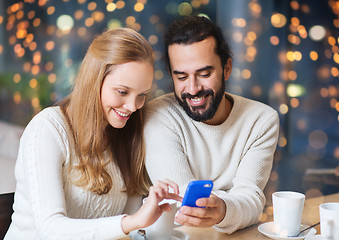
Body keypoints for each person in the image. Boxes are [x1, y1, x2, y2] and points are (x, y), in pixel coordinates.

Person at [5, 28, 182, 240]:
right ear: (94, 81)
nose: (133, 106)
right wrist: (131, 221)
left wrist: (154, 212)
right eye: (123, 92)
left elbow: (131, 229)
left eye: (141, 95)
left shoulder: (125, 134)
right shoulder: (47, 130)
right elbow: (50, 229)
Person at [144, 16, 279, 234]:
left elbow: (253, 201)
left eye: (204, 74)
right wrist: (236, 205)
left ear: (227, 69)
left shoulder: (261, 120)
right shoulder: (159, 114)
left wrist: (224, 209)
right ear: (171, 75)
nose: (193, 88)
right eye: (181, 77)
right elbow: (182, 203)